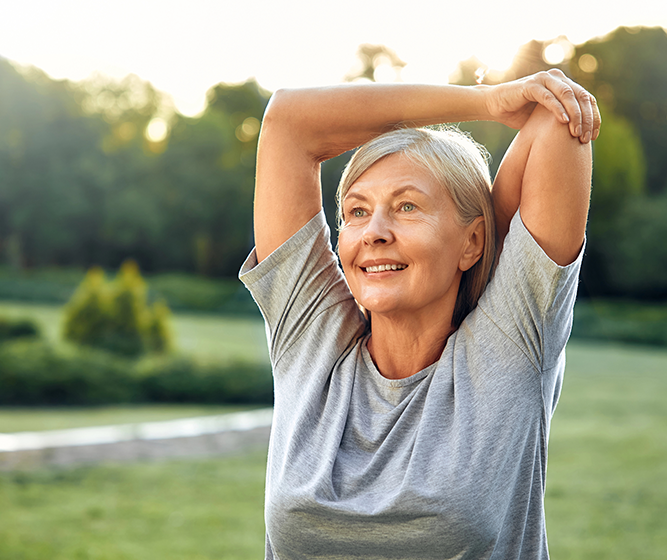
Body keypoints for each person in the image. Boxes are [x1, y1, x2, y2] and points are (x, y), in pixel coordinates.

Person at [239, 69, 600, 559]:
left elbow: (559, 118)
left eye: (407, 207)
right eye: (357, 211)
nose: (375, 232)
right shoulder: (312, 336)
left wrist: (485, 224)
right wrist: (486, 102)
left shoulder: (508, 346)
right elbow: (287, 121)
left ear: (472, 241)